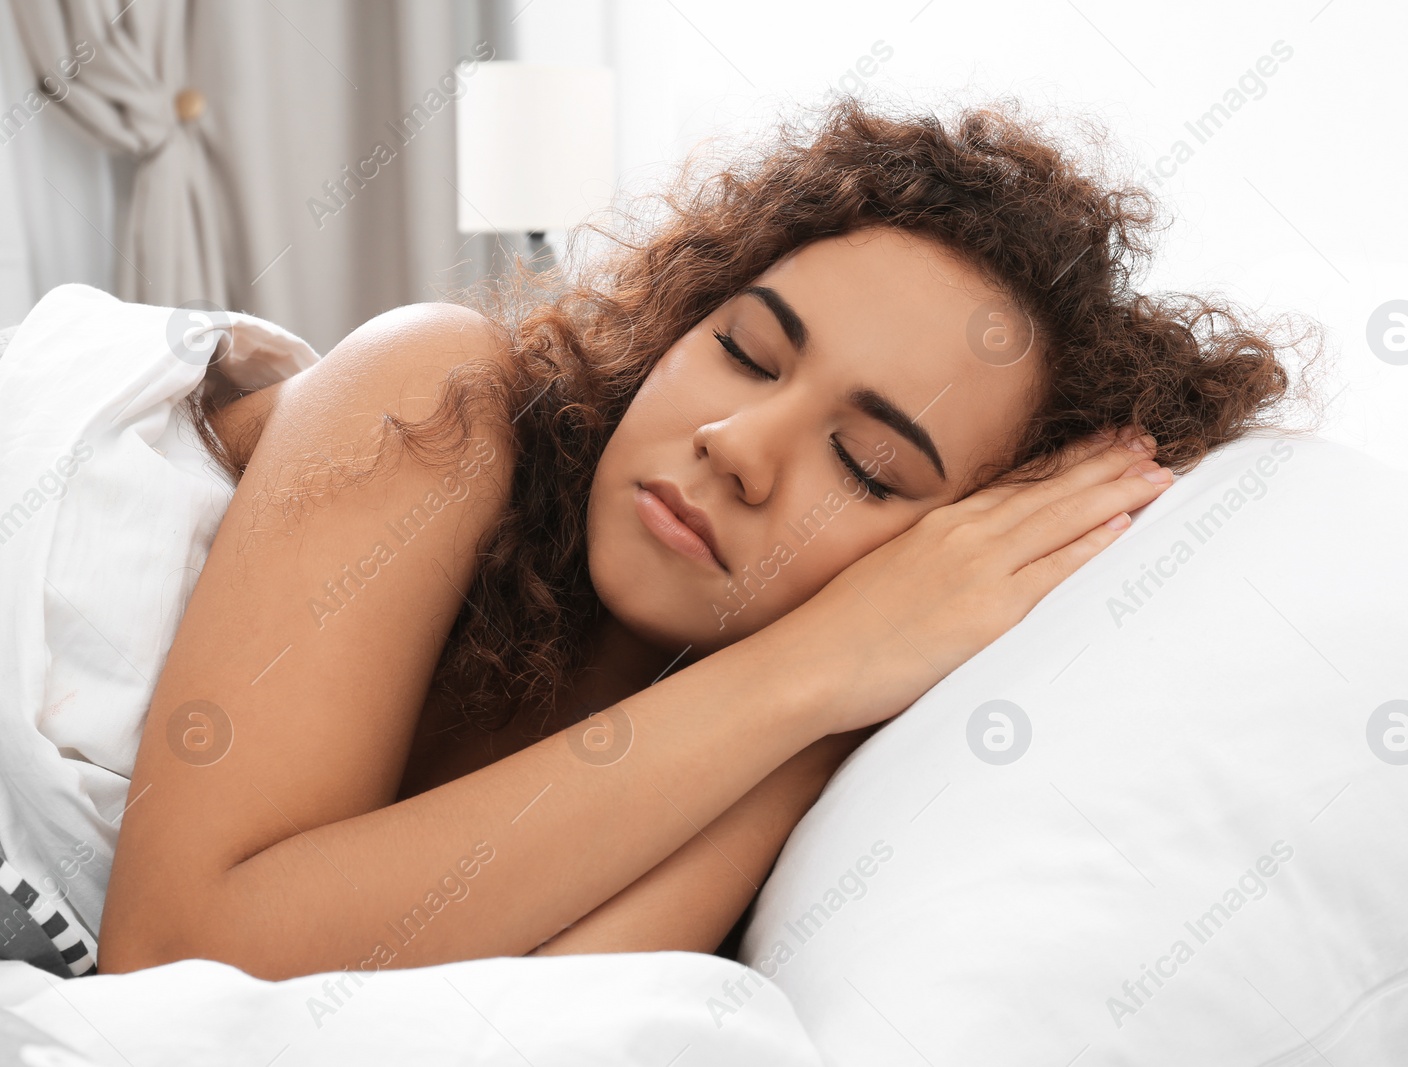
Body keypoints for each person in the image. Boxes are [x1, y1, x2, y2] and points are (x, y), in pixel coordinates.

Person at [94, 95, 1321, 980]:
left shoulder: (769, 726)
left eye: (868, 464)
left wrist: (819, 715)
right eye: (743, 347)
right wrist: (810, 665)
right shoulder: (440, 396)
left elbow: (516, 1025)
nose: (735, 439)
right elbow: (173, 963)